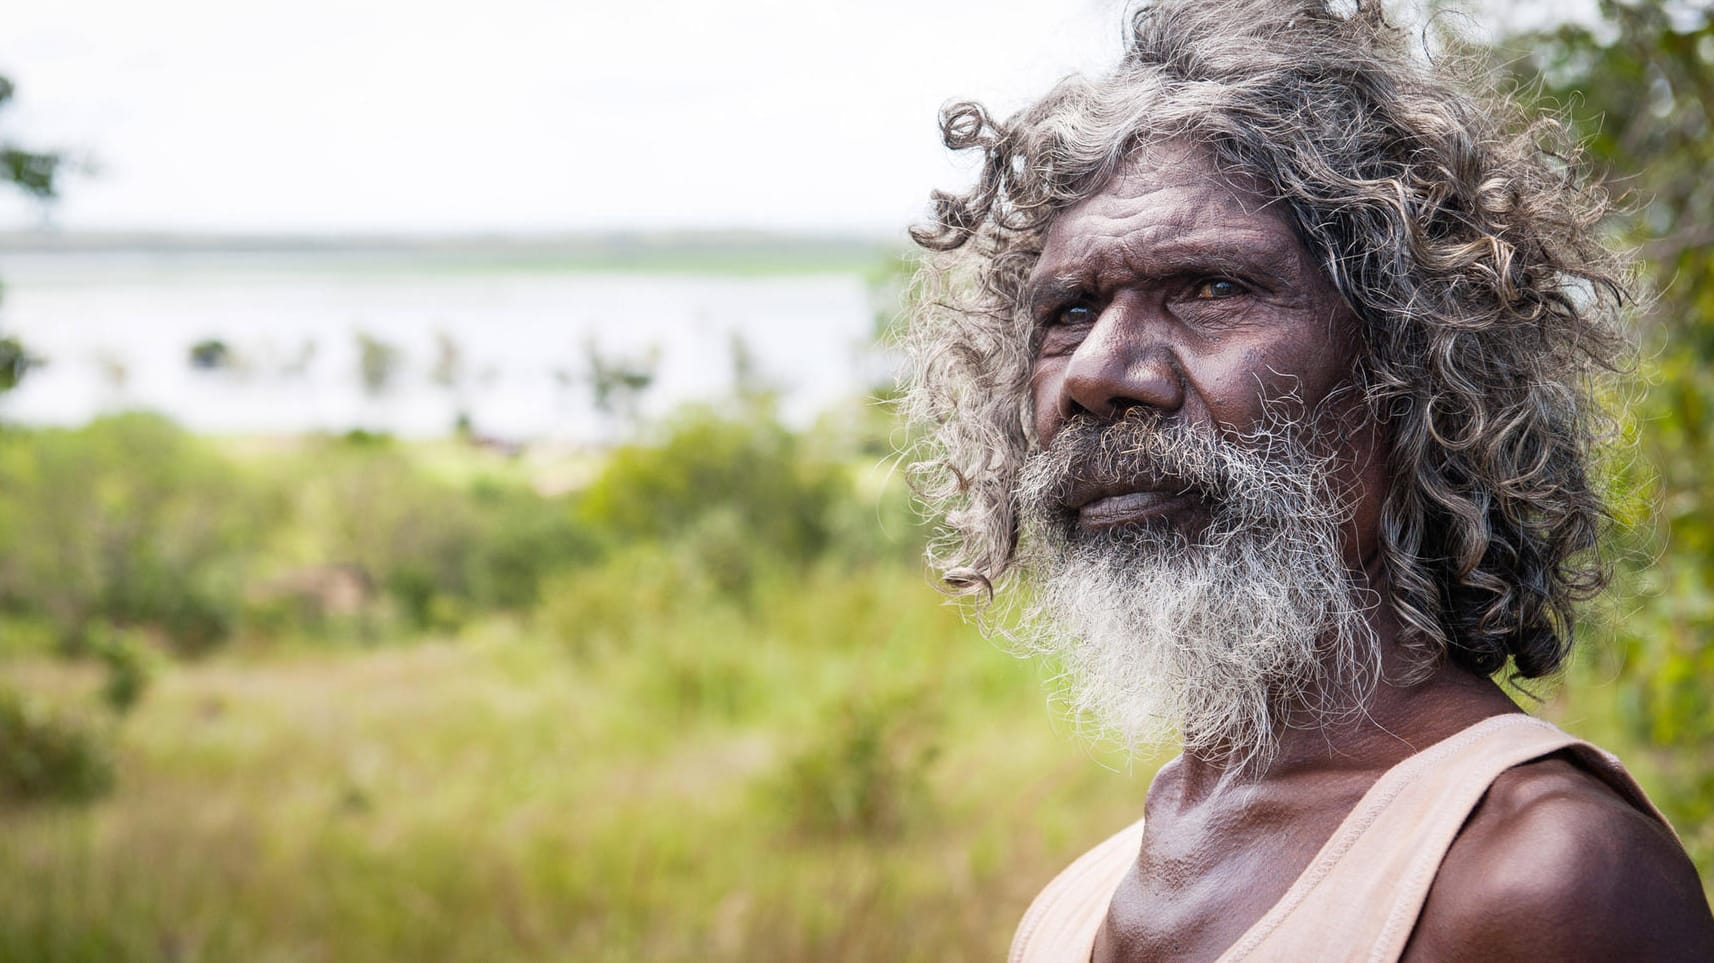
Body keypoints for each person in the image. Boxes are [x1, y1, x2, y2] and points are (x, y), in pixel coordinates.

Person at [901, 1, 1714, 959]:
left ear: (1411, 356)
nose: (1094, 372)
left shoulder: (1541, 879)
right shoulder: (1082, 896)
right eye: (1070, 310)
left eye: (1208, 288)